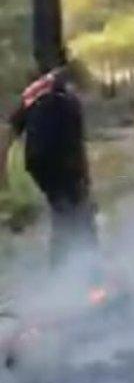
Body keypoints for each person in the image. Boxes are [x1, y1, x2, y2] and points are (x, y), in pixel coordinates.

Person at [0, 63, 98, 271]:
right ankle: (83, 269)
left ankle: (63, 268)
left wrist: (2, 169)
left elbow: (8, 131)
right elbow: (75, 145)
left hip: (37, 163)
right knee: (78, 210)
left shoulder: (33, 94)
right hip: (60, 159)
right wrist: (85, 180)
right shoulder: (70, 100)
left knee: (61, 208)